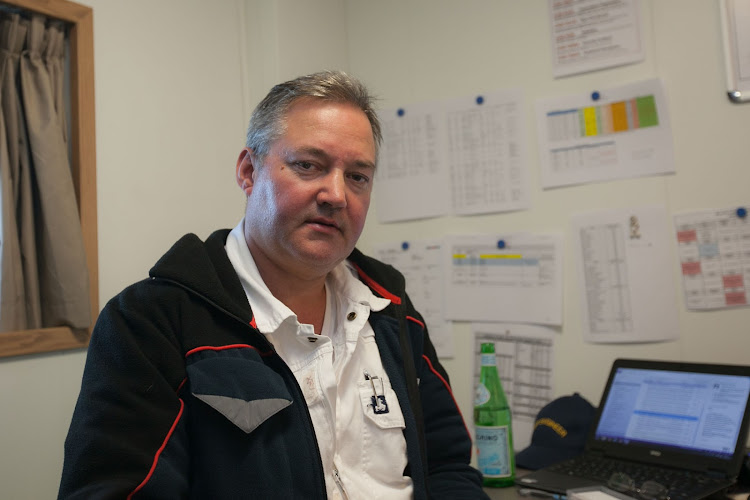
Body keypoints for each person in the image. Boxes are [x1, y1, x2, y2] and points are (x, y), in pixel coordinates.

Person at [58, 70, 488, 499]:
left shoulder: (391, 307)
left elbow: (447, 464)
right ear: (248, 171)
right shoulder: (152, 321)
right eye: (308, 165)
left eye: (358, 176)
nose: (336, 194)